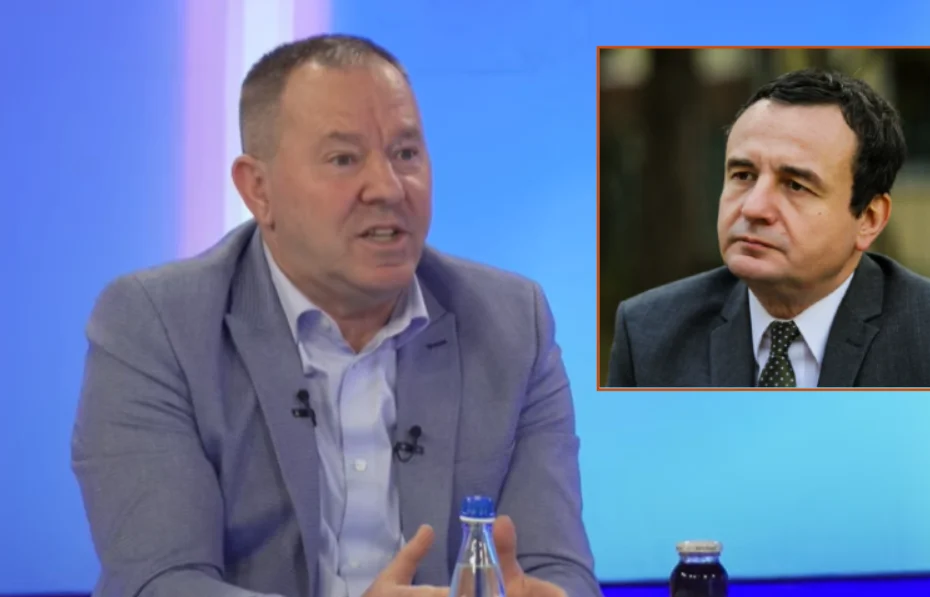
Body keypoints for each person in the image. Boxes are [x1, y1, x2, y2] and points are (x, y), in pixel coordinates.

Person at [72, 34, 600, 597]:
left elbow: (557, 567)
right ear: (259, 190)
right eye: (344, 159)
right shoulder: (156, 328)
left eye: (406, 153)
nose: (388, 188)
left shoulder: (512, 323)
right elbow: (159, 583)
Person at [607, 68, 930, 389]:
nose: (753, 207)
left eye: (795, 185)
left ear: (869, 218)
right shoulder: (648, 333)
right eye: (743, 175)